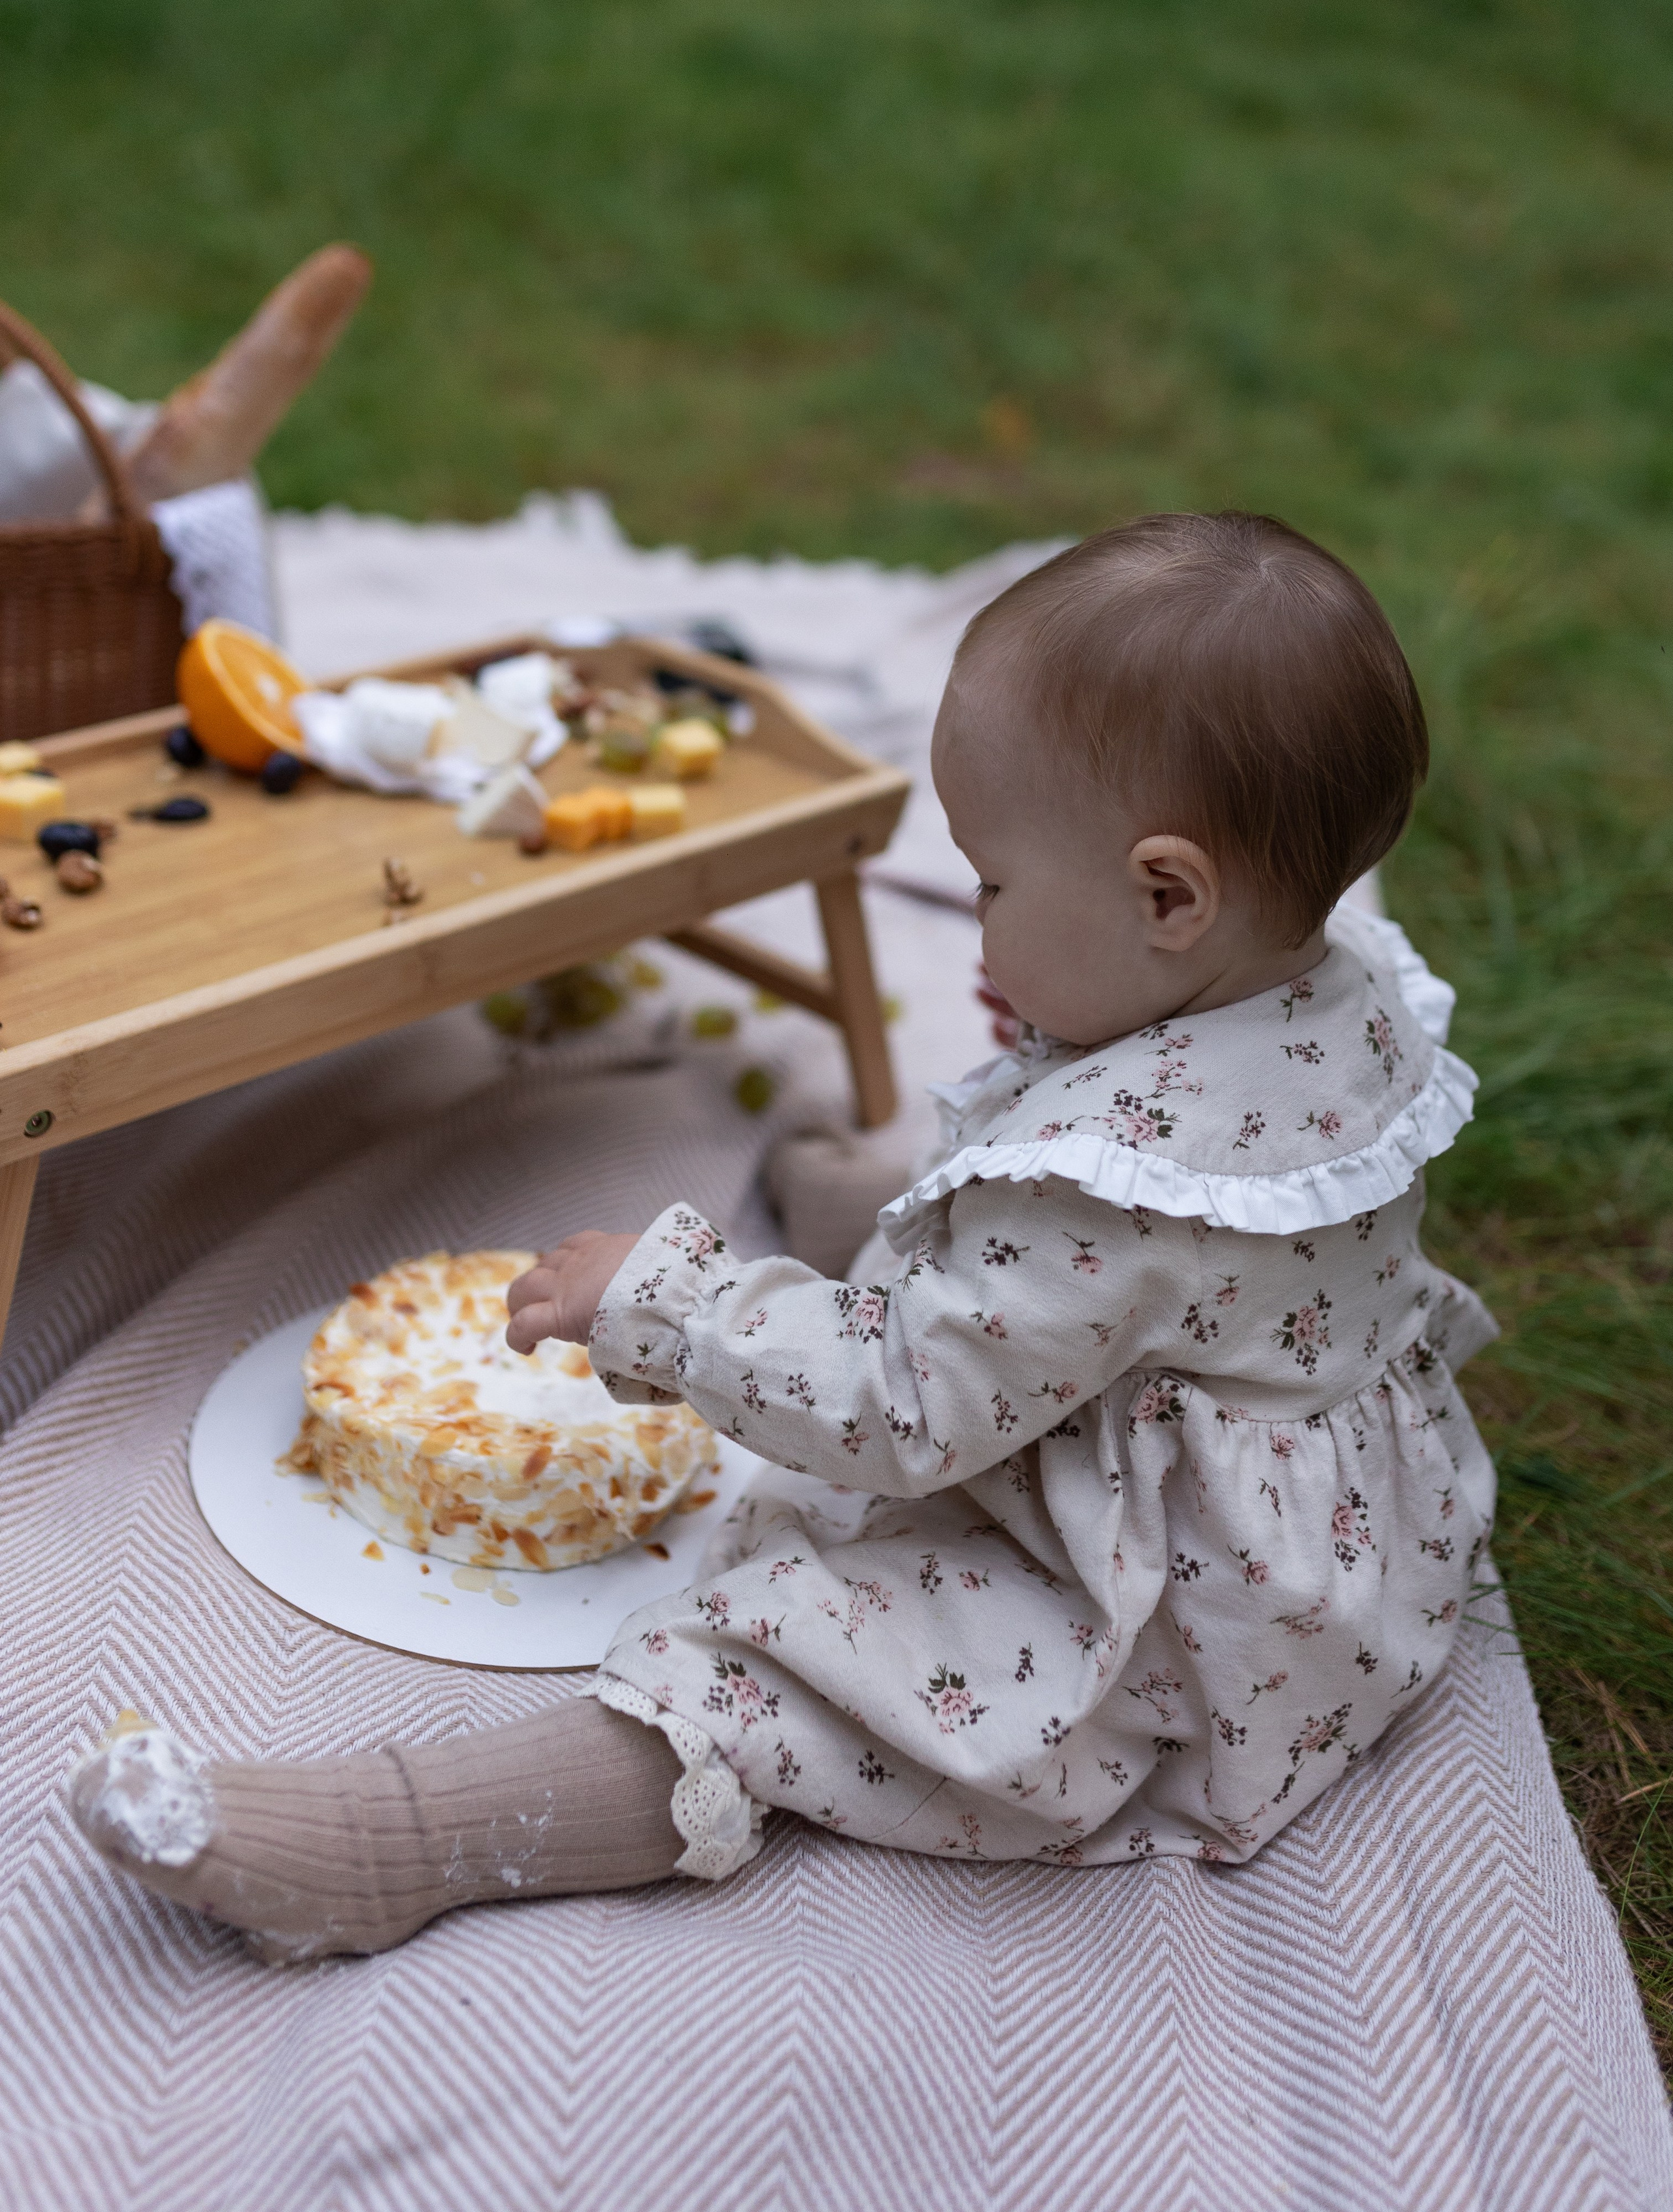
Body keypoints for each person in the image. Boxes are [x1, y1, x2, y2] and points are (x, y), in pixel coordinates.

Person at [67, 511, 1496, 1962]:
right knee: (977, 1275)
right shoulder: (1342, 986)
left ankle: (398, 1842)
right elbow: (1151, 1284)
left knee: (774, 1668)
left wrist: (670, 1308)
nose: (975, 923)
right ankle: (901, 1244)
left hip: (1178, 1619)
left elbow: (902, 1412)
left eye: (992, 884)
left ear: (1166, 897)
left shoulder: (1107, 1191)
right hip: (1337, 1532)